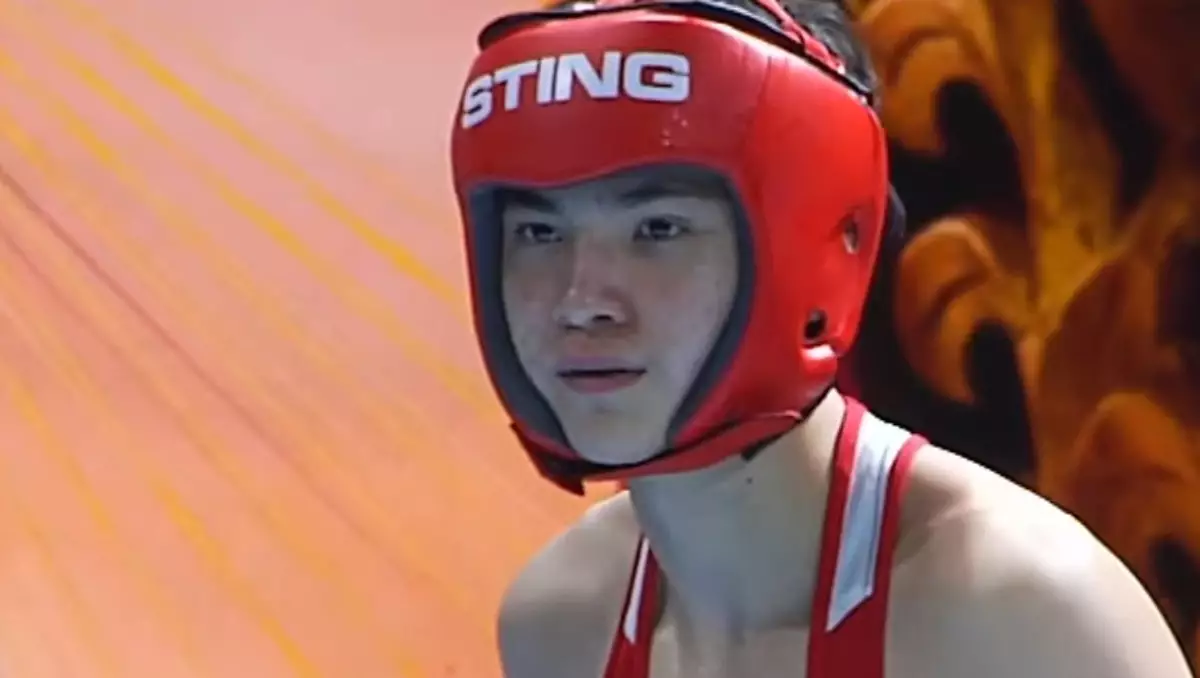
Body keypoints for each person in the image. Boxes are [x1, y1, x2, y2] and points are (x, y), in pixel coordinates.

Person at [448, 0, 1192, 676]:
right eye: (539, 232)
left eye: (659, 228)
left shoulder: (1022, 617)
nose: (582, 302)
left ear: (819, 244)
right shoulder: (557, 625)